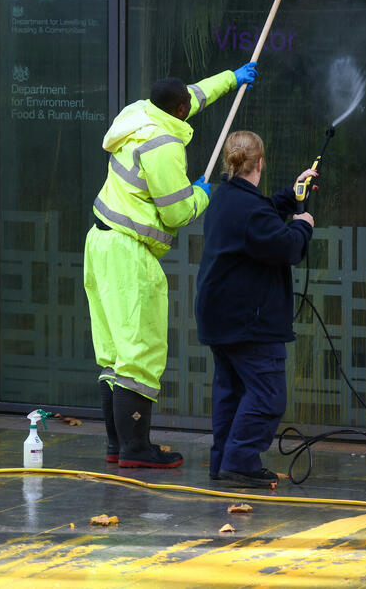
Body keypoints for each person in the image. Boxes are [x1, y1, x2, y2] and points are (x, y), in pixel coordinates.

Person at [84, 62, 258, 469]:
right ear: (178, 110)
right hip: (129, 254)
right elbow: (178, 213)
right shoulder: (163, 146)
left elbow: (195, 94)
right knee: (139, 355)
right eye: (186, 105)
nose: (191, 106)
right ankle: (136, 450)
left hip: (101, 244)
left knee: (113, 354)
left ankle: (117, 445)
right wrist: (201, 193)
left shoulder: (139, 113)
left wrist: (232, 78)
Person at [195, 130, 316, 487]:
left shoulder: (225, 197)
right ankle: (241, 462)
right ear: (260, 163)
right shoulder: (249, 212)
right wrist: (302, 226)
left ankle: (224, 462)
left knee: (231, 391)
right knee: (267, 394)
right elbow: (287, 248)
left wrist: (291, 194)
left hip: (220, 317)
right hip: (248, 322)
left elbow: (261, 217)